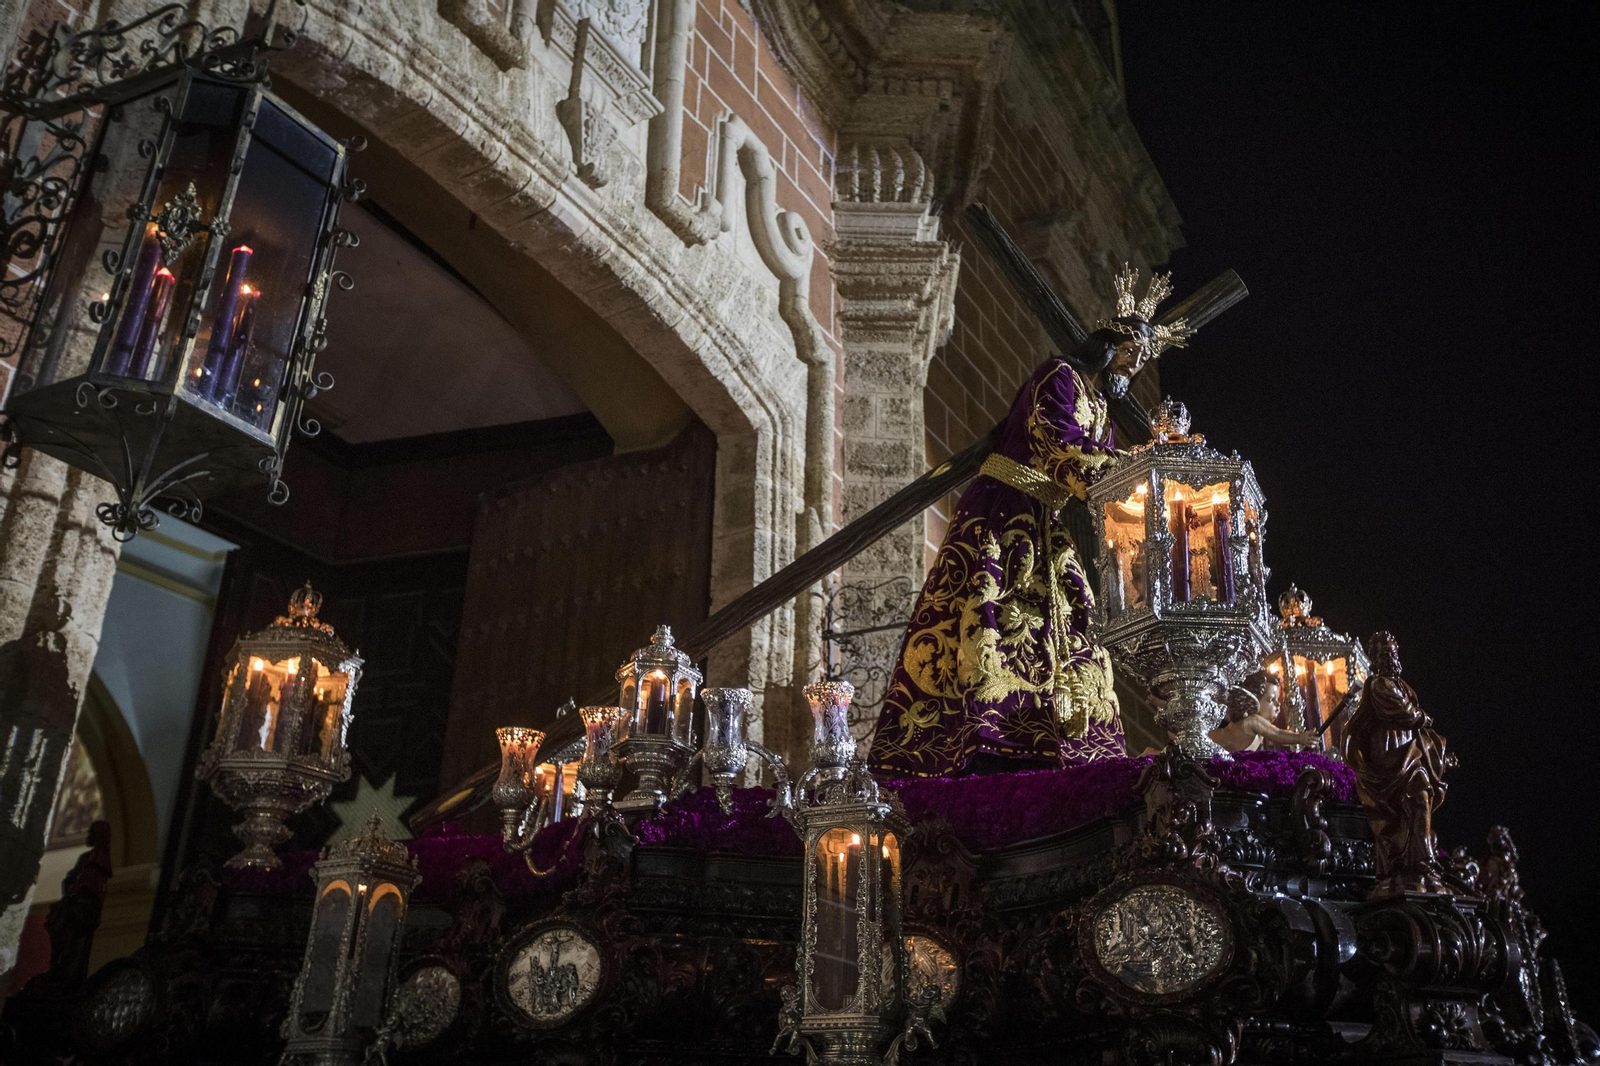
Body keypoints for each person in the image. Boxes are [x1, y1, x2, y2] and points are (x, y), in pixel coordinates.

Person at [868, 266, 1191, 777]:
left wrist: (1135, 487)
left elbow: (1102, 472)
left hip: (1048, 517)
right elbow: (1058, 438)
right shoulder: (1059, 375)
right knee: (990, 611)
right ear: (1110, 346)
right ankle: (988, 735)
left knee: (1073, 619)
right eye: (1131, 351)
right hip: (1006, 506)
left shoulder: (1102, 407)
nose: (1136, 363)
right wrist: (1130, 473)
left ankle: (1063, 739)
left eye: (1144, 357)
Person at [1208, 674, 1319, 752]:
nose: (1278, 704)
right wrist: (1300, 738)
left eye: (1277, 699)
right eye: (1270, 700)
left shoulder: (1259, 727)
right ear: (1255, 700)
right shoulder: (1252, 720)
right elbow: (1277, 734)